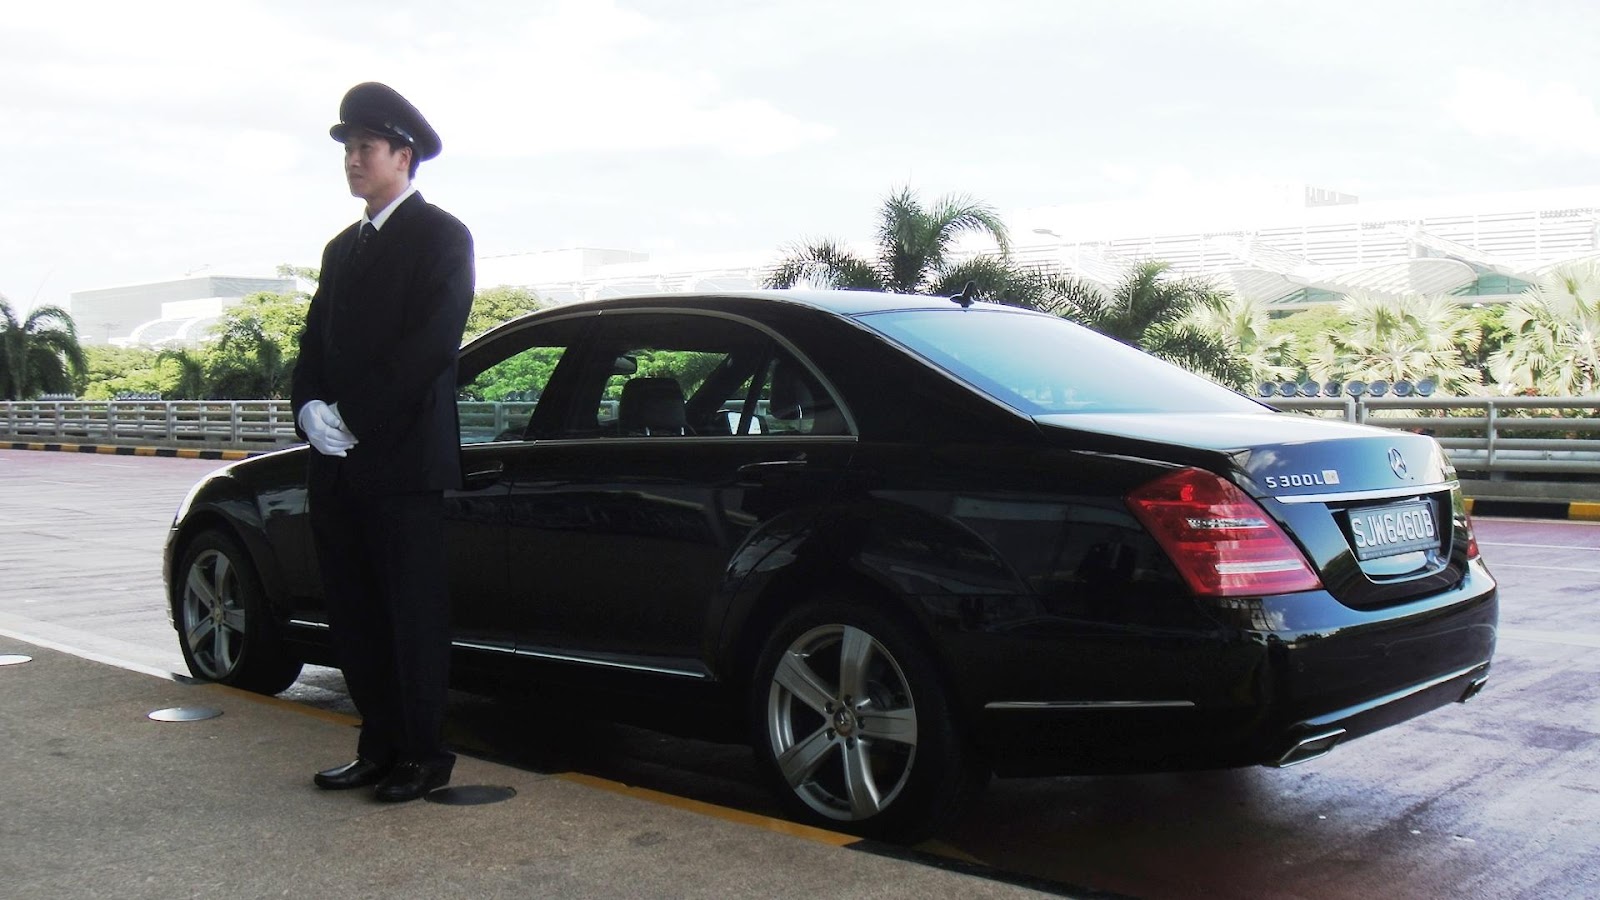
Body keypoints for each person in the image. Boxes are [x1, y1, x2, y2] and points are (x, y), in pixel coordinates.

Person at [290, 82, 475, 803]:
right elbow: (314, 341)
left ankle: (424, 755)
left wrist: (353, 415)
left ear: (403, 155)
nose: (352, 160)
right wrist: (308, 408)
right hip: (338, 464)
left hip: (402, 463)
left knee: (410, 616)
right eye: (347, 149)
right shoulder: (342, 249)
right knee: (355, 613)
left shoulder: (441, 236)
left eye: (365, 147)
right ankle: (379, 746)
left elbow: (431, 344)